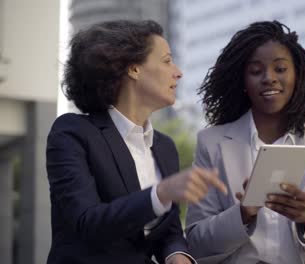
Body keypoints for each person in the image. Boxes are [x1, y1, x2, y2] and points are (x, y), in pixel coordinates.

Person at [46, 20, 227, 264]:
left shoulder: (164, 147)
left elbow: (168, 229)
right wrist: (161, 192)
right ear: (133, 69)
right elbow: (87, 222)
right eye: (166, 60)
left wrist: (176, 254)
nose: (178, 72)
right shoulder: (72, 132)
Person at [185, 21, 305, 264]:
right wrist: (242, 214)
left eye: (281, 69)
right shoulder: (211, 144)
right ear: (242, 81)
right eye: (256, 71)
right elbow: (196, 243)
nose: (269, 78)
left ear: (298, 75)